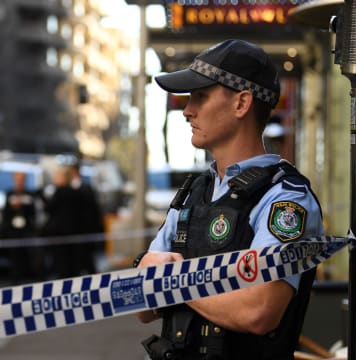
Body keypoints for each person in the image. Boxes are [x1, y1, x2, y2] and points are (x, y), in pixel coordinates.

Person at [134, 39, 324, 360]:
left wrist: (174, 281)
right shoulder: (194, 192)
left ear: (241, 104)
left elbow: (258, 310)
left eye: (200, 96)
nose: (187, 110)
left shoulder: (285, 199)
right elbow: (141, 305)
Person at [0, 171, 38, 283]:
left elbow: (34, 213)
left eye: (22, 179)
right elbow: (5, 213)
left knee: (29, 258)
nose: (20, 182)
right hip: (13, 232)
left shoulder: (30, 195)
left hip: (27, 231)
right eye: (17, 179)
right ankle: (15, 281)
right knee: (15, 259)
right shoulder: (9, 194)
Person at [68, 161, 104, 274]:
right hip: (73, 232)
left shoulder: (85, 189)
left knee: (87, 261)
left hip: (84, 231)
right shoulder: (68, 188)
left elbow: (93, 211)